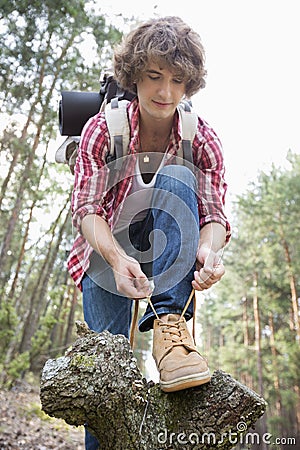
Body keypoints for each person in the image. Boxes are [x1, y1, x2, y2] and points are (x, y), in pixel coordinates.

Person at [67, 16, 231, 449]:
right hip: (106, 253)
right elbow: (86, 208)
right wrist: (119, 260)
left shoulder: (203, 140)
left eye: (178, 81)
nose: (165, 92)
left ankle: (171, 333)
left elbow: (213, 215)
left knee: (179, 176)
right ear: (135, 74)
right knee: (108, 376)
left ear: (189, 84)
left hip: (170, 255)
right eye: (154, 76)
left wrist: (209, 254)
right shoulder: (104, 130)